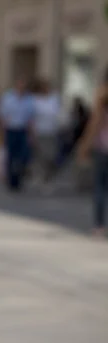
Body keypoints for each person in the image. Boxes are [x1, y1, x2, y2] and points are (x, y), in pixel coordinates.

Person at [77, 68, 108, 238]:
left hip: (103, 147)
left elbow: (95, 122)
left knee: (100, 187)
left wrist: (85, 145)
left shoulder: (103, 94)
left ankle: (99, 226)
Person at [0, 78, 35, 192]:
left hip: (22, 130)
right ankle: (11, 180)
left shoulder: (29, 99)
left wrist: (31, 134)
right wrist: (1, 132)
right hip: (11, 130)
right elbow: (2, 116)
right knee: (11, 156)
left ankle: (19, 177)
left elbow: (30, 118)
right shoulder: (8, 98)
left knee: (23, 155)